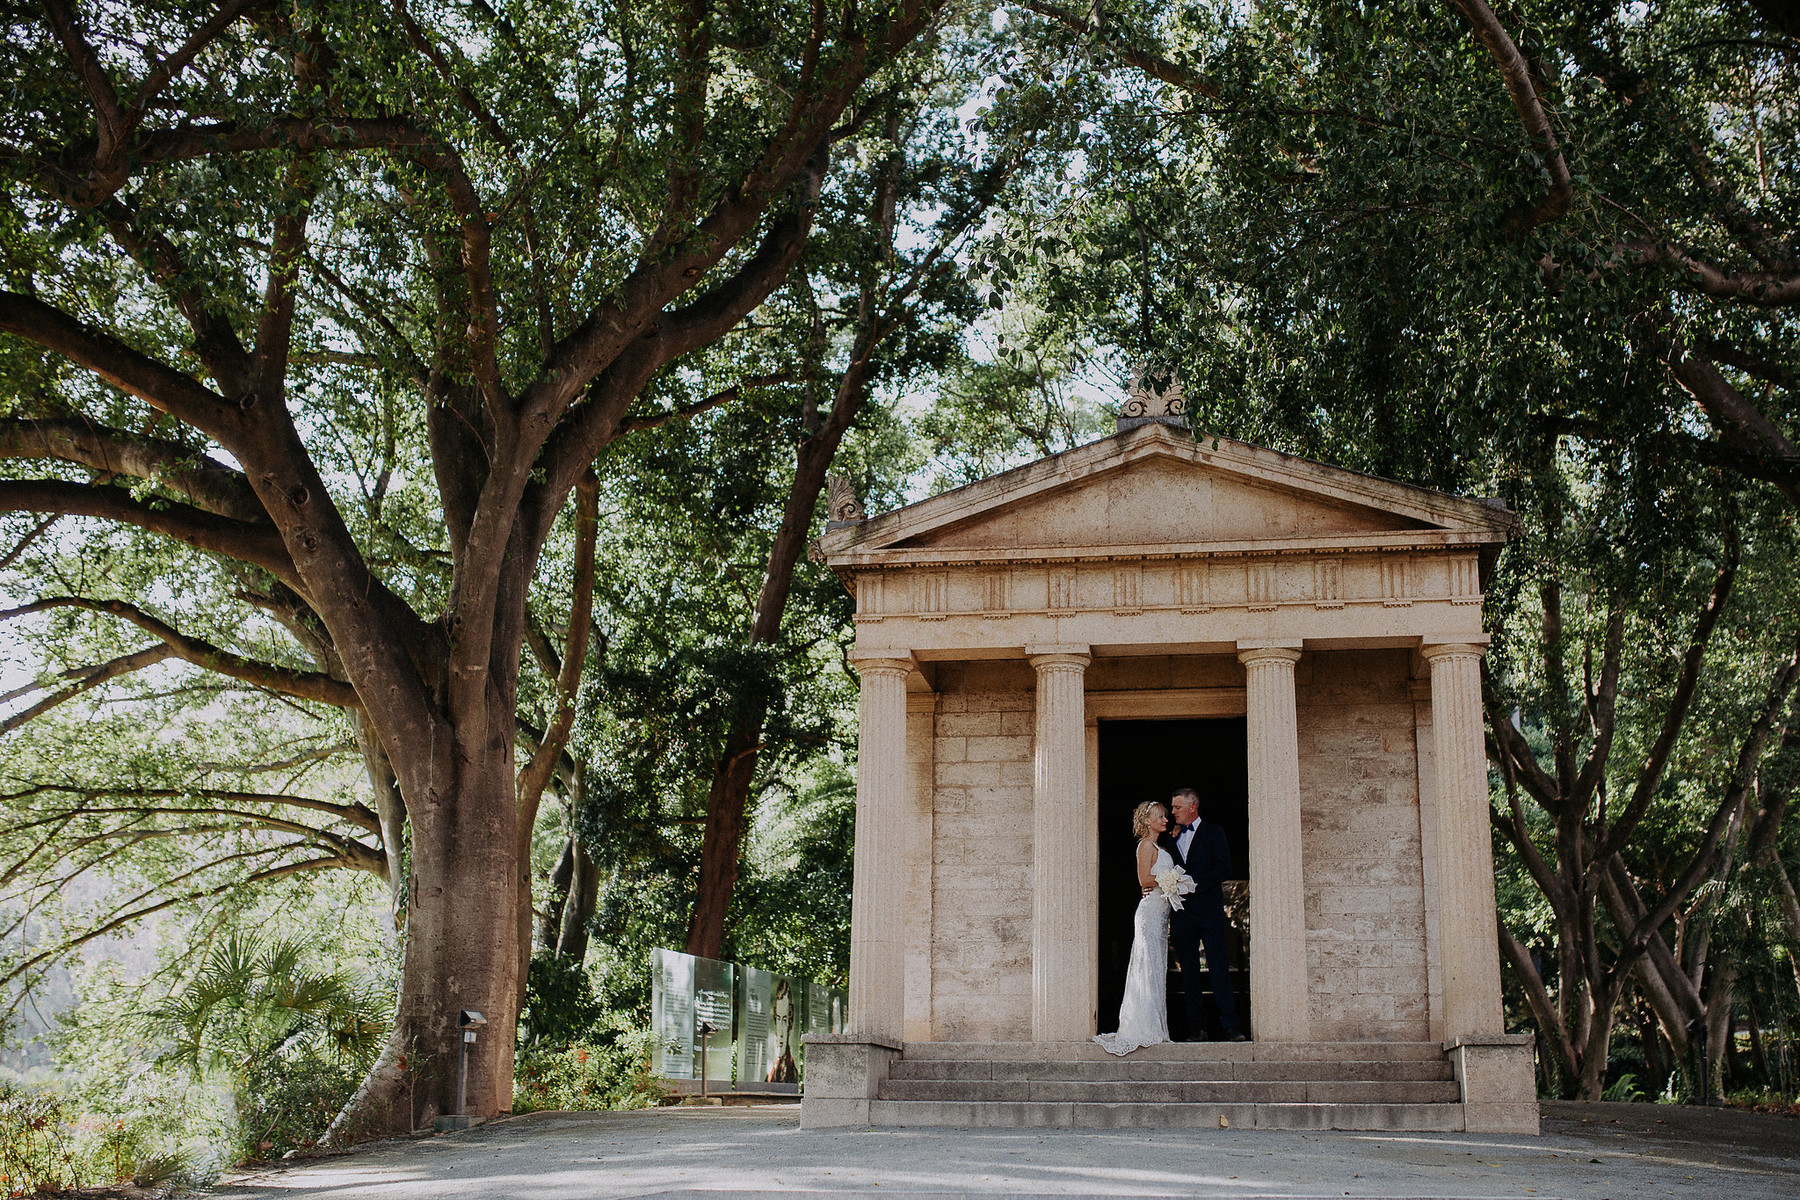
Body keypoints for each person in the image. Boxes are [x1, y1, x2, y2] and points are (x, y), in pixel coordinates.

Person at [1164, 786, 1247, 1041]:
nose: (1172, 811)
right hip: (1183, 915)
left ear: (1193, 807)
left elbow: (1223, 868)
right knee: (1188, 972)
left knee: (1218, 967)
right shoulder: (1170, 838)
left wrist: (1192, 882)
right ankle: (1196, 1029)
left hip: (1209, 911)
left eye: (1177, 807)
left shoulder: (1214, 833)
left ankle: (1231, 1027)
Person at [1093, 801, 1173, 1056]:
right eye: (1160, 816)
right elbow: (1144, 879)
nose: (1165, 819)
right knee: (1147, 966)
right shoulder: (1145, 846)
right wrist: (1173, 879)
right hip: (1149, 914)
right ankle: (1144, 1027)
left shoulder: (1160, 846)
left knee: (1157, 966)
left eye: (1166, 816)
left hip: (1160, 916)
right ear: (1147, 821)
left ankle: (1157, 1028)